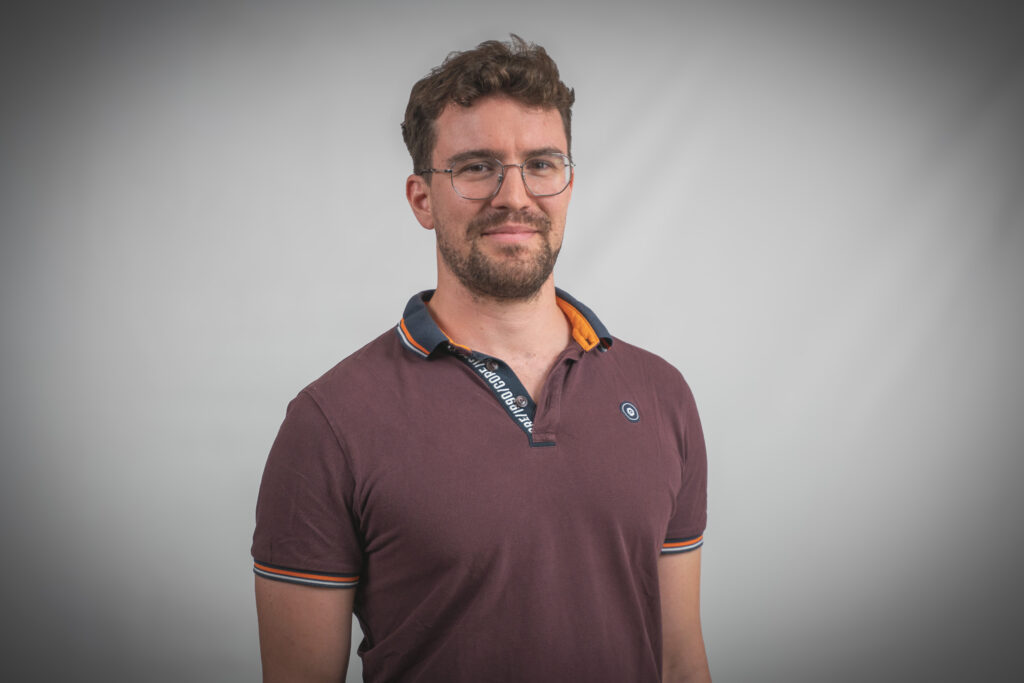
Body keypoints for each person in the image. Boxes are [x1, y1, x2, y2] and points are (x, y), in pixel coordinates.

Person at [251, 35, 710, 683]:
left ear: (569, 183)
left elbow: (681, 664)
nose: (514, 196)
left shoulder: (661, 394)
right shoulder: (329, 422)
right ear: (422, 199)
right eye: (476, 167)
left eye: (541, 164)